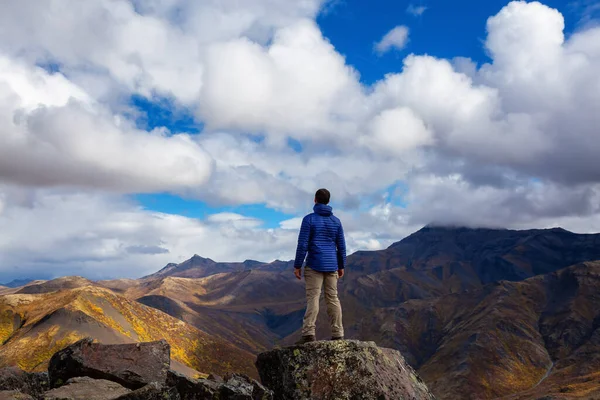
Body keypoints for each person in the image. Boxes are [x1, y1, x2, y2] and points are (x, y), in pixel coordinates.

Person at [293, 188, 347, 344]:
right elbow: (341, 246)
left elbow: (303, 244)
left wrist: (298, 265)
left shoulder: (309, 220)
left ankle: (308, 333)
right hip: (332, 265)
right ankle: (338, 333)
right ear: (328, 201)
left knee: (313, 298)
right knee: (333, 298)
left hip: (314, 264)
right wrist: (341, 265)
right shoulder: (336, 221)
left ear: (315, 200)